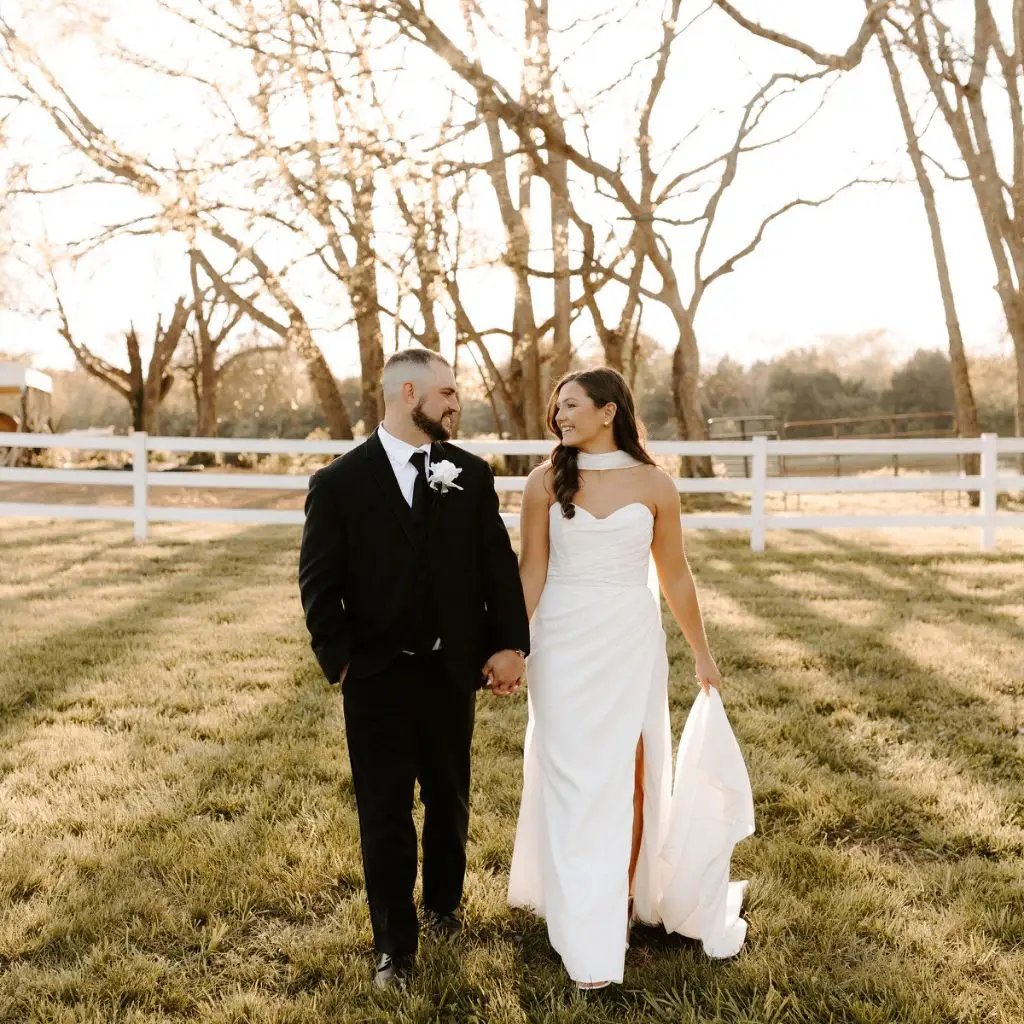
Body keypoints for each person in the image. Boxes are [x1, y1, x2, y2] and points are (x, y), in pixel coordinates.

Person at [299, 348, 530, 989]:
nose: (457, 403)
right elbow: (319, 587)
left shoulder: (470, 474)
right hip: (375, 677)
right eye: (448, 393)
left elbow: (495, 566)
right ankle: (394, 946)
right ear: (409, 393)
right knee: (384, 811)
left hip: (451, 673)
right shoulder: (339, 482)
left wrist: (510, 643)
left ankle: (444, 908)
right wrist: (343, 663)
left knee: (450, 799)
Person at [508, 366, 736, 989]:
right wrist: (511, 648)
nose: (559, 416)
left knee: (627, 775)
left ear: (609, 411)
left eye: (571, 405)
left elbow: (676, 575)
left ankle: (619, 904)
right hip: (562, 641)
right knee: (571, 774)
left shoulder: (656, 483)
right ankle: (579, 912)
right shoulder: (543, 483)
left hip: (630, 641)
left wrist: (703, 653)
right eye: (557, 408)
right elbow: (531, 574)